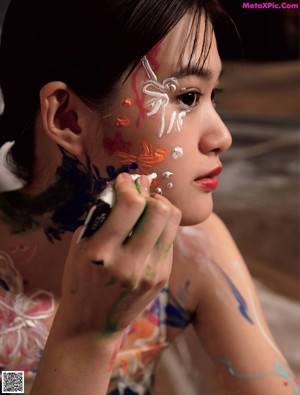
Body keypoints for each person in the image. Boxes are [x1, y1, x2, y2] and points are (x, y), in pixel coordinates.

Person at [0, 1, 298, 394]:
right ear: (68, 118)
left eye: (214, 96)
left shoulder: (193, 248)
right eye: (188, 97)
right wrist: (89, 334)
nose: (222, 137)